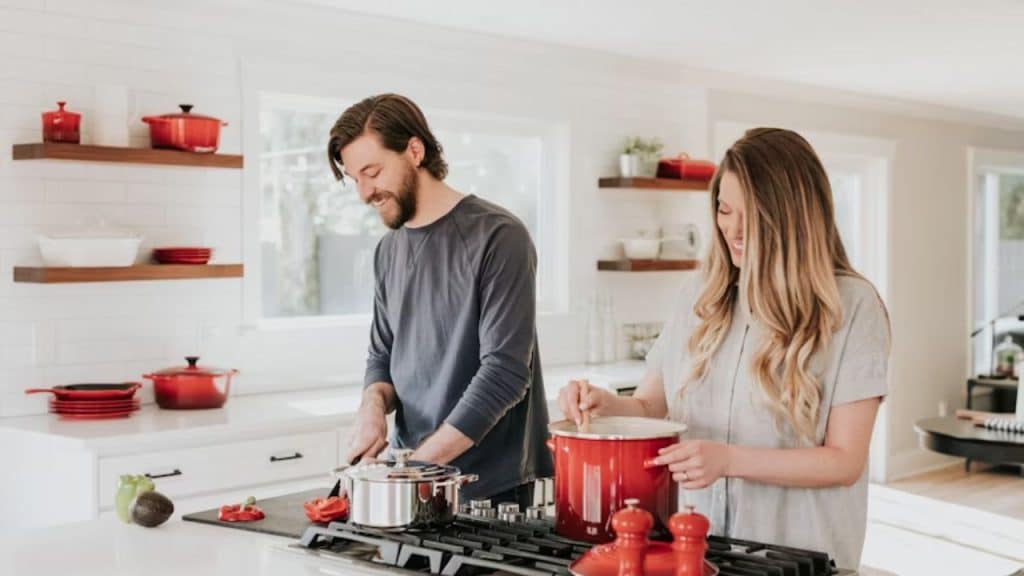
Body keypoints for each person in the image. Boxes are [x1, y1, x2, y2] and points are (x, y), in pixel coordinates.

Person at [558, 127, 890, 569]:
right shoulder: (700, 295)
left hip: (795, 557)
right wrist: (606, 405)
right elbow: (652, 406)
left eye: (750, 214)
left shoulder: (852, 307)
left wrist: (730, 460)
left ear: (793, 217)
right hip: (697, 551)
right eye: (724, 209)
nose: (732, 229)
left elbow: (844, 461)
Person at [327, 93, 553, 508]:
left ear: (415, 150)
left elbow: (505, 373)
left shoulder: (499, 236)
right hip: (410, 474)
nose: (363, 192)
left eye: (372, 172)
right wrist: (372, 408)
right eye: (354, 178)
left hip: (490, 489)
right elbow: (382, 355)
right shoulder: (388, 250)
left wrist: (411, 471)